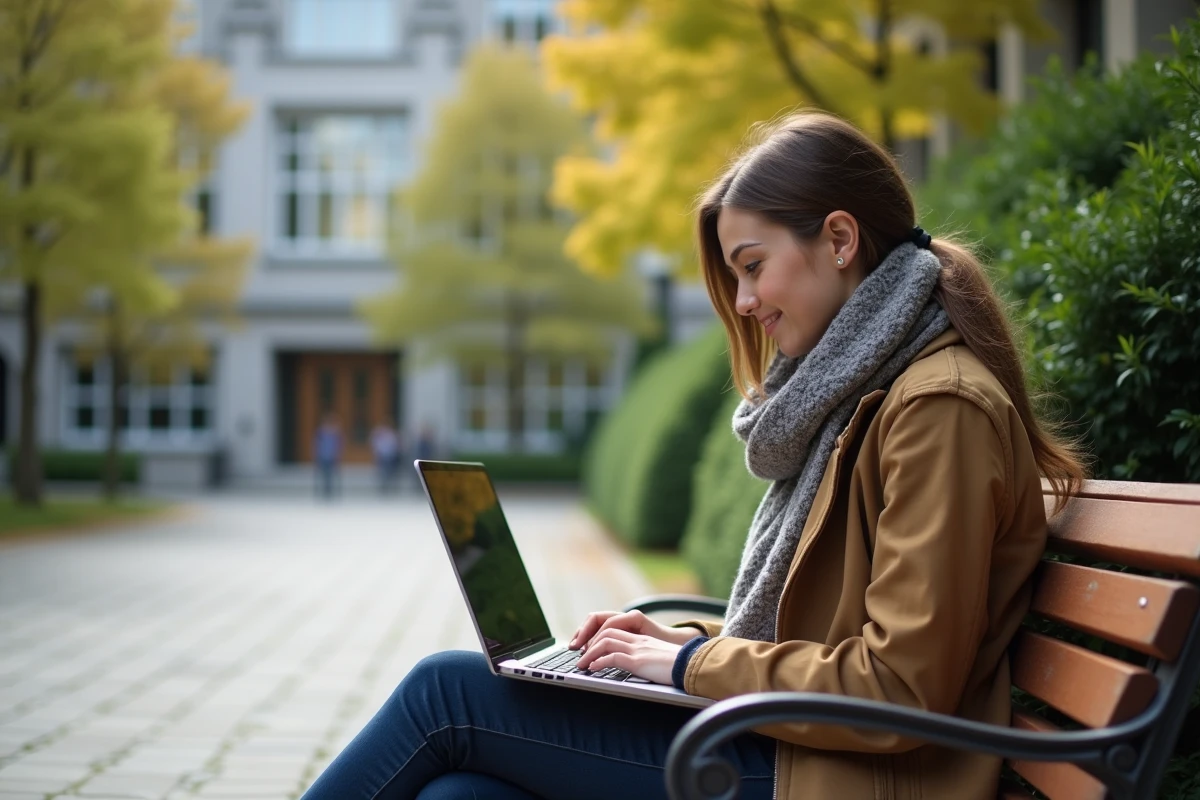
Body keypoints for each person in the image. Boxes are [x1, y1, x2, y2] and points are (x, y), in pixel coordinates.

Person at [299, 111, 1086, 800]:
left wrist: (691, 667)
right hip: (799, 750)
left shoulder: (938, 410)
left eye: (753, 266)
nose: (743, 303)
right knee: (459, 793)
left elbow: (901, 689)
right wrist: (677, 648)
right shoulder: (866, 394)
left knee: (445, 695)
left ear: (840, 239)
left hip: (847, 775)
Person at [313, 413, 342, 500]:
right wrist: (317, 453)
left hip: (332, 455)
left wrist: (337, 453)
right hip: (323, 455)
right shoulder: (320, 432)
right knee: (323, 474)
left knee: (331, 474)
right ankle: (324, 490)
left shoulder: (335, 432)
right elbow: (316, 443)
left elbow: (339, 444)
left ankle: (330, 490)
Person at [371, 418, 402, 494]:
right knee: (382, 472)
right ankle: (383, 486)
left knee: (391, 472)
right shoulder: (379, 433)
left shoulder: (392, 434)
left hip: (391, 456)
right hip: (382, 456)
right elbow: (375, 443)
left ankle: (390, 486)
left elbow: (396, 444)